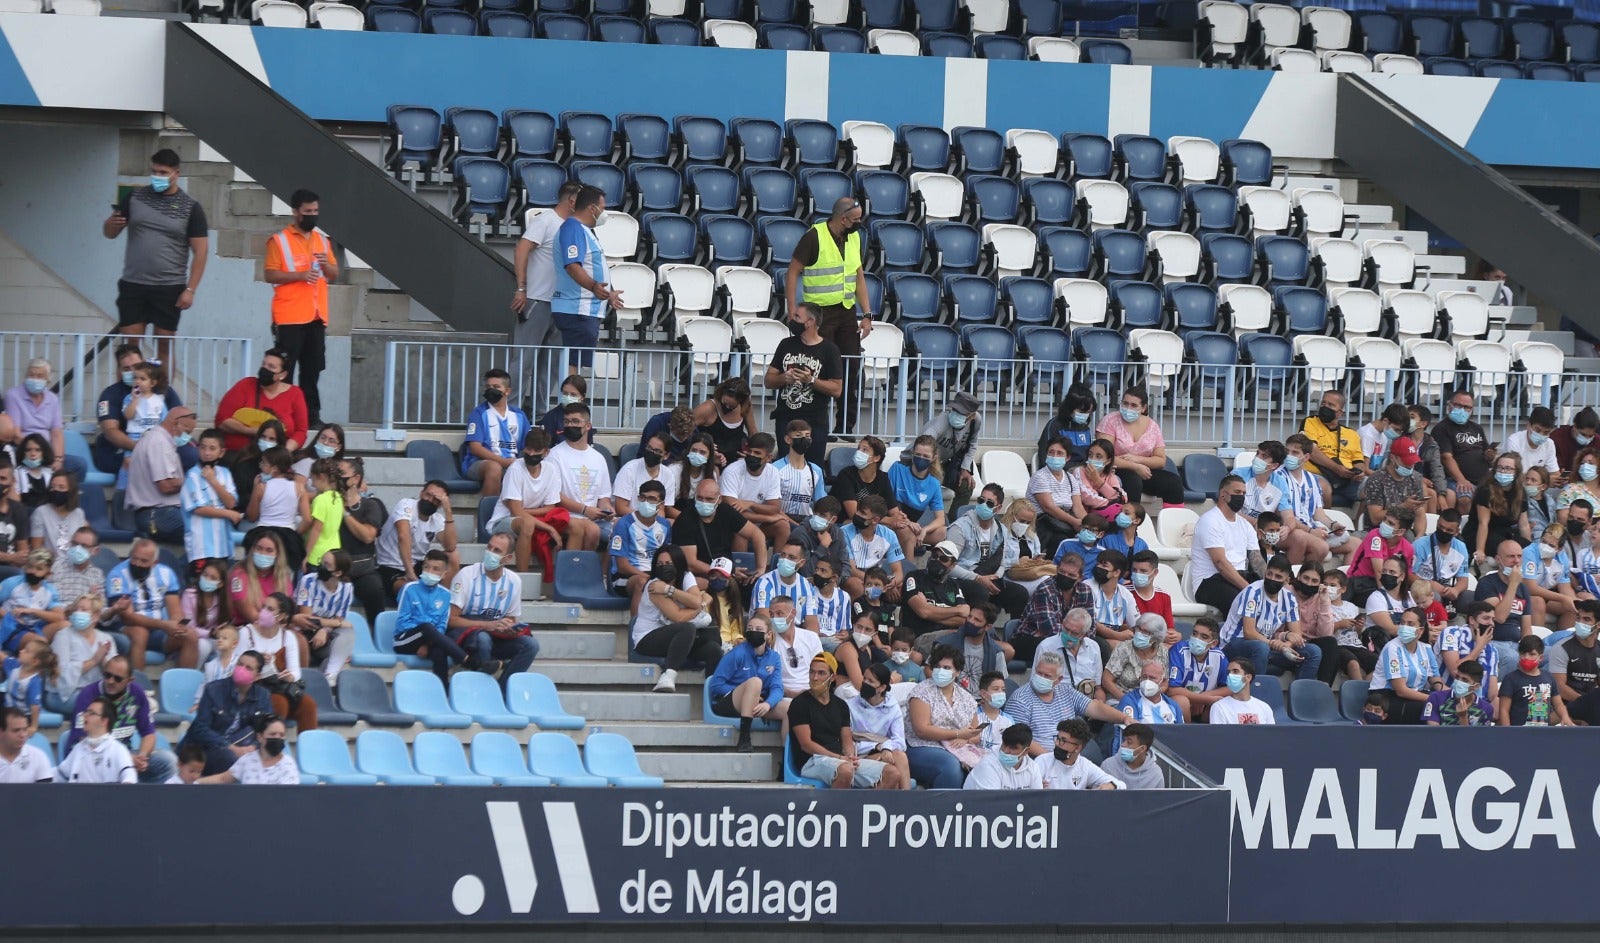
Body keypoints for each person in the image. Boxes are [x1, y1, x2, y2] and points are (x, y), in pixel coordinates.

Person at [102, 148, 208, 359]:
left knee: (164, 346)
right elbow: (110, 233)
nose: (157, 177)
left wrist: (190, 290)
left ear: (176, 173)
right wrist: (110, 224)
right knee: (129, 348)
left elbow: (201, 251)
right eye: (154, 172)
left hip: (169, 287)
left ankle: (163, 391)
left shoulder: (191, 208)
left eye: (163, 172)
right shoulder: (134, 197)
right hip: (134, 283)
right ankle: (128, 392)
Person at [786, 197, 873, 437]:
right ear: (842, 218)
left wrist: (866, 314)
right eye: (855, 219)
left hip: (846, 313)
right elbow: (793, 272)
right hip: (819, 314)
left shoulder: (854, 237)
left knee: (850, 368)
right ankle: (810, 426)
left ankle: (845, 427)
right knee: (815, 370)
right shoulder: (814, 236)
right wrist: (792, 308)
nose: (859, 223)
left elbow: (859, 276)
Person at [262, 189, 336, 424]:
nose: (313, 215)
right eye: (308, 212)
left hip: (316, 316)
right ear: (295, 212)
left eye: (315, 211)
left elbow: (334, 274)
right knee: (286, 371)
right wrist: (300, 274)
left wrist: (326, 266)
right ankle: (284, 416)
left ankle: (311, 416)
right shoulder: (280, 240)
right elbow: (270, 274)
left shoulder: (322, 240)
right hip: (290, 316)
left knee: (312, 370)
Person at [512, 181, 582, 405]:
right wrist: (522, 288)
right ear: (572, 202)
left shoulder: (575, 227)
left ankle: (539, 412)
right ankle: (511, 409)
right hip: (537, 300)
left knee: (550, 365)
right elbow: (522, 249)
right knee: (523, 360)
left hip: (562, 304)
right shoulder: (546, 220)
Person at [790, 652, 899, 790]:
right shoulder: (799, 703)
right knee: (845, 770)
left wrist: (850, 757)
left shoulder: (840, 705)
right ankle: (837, 810)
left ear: (832, 677)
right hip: (811, 760)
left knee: (891, 773)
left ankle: (862, 809)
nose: (815, 677)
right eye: (812, 672)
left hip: (839, 760)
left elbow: (847, 740)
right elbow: (806, 744)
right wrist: (839, 758)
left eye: (821, 673)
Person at [61, 654, 174, 783]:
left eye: (117, 678)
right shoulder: (88, 694)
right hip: (92, 754)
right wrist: (125, 758)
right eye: (107, 675)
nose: (110, 681)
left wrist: (141, 757)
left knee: (167, 761)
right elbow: (81, 736)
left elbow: (148, 733)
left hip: (127, 753)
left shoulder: (137, 694)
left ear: (130, 680)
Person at [448, 532, 540, 689]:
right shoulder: (466, 575)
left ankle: (501, 691)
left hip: (495, 637)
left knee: (531, 645)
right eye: (489, 547)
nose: (490, 552)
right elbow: (451, 620)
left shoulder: (514, 581)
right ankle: (482, 690)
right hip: (464, 637)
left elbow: (511, 618)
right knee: (483, 638)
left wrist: (509, 629)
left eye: (497, 550)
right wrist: (487, 625)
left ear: (508, 558)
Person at [91, 342, 190, 476]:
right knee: (111, 460)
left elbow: (180, 421)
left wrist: (162, 446)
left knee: (190, 455)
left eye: (136, 367)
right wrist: (139, 447)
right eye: (126, 369)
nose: (132, 373)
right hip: (125, 447)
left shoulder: (163, 390)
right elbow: (110, 431)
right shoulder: (110, 394)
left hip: (161, 444)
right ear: (119, 371)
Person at [1218, 552, 1320, 681]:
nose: (1272, 579)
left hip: (1265, 647)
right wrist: (1276, 644)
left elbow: (1297, 635)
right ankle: (1256, 693)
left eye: (1278, 576)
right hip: (1233, 644)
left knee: (1313, 652)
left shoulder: (1289, 599)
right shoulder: (1253, 592)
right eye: (1269, 574)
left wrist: (1286, 644)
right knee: (1261, 648)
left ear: (1287, 580)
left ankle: (1301, 696)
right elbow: (1249, 633)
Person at [631, 545, 719, 693]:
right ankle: (668, 676)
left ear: (678, 564)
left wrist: (669, 590)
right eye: (659, 564)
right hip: (648, 638)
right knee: (687, 628)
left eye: (668, 564)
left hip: (678, 638)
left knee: (714, 647)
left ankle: (713, 693)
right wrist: (702, 604)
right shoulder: (654, 586)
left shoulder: (686, 576)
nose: (664, 567)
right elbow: (678, 617)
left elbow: (695, 602)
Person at [765, 303, 843, 468]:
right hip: (786, 418)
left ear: (810, 321)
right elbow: (769, 380)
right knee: (785, 467)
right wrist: (783, 378)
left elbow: (837, 389)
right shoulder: (786, 344)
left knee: (813, 469)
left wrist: (811, 380)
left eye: (797, 317)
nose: (792, 320)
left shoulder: (830, 349)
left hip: (815, 421)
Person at [552, 185, 617, 377]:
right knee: (571, 364)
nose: (604, 213)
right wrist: (594, 287)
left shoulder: (584, 230)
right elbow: (572, 265)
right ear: (592, 208)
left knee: (575, 363)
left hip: (585, 309)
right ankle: (571, 405)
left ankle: (572, 403)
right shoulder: (573, 229)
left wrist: (608, 294)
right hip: (577, 309)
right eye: (602, 208)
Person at [1007, 650, 1126, 754]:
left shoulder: (1066, 691)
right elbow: (1021, 739)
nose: (1041, 678)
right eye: (1039, 673)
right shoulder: (1020, 699)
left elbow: (1095, 707)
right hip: (1040, 760)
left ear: (1058, 680)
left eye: (1047, 676)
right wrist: (1051, 759)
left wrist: (1124, 718)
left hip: (1070, 754)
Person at [395, 550, 488, 682]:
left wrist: (427, 644)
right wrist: (425, 635)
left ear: (444, 574)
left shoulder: (445, 595)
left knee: (439, 650)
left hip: (429, 640)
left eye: (435, 569)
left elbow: (442, 625)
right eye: (426, 567)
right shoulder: (409, 588)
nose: (429, 571)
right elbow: (402, 623)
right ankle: (467, 660)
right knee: (426, 627)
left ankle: (443, 693)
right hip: (404, 639)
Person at [106, 538, 196, 670]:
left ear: (155, 563)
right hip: (127, 628)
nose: (137, 564)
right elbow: (128, 617)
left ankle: (184, 685)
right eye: (134, 558)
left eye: (143, 561)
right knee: (140, 633)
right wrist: (163, 625)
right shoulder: (117, 576)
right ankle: (138, 686)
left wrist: (176, 626)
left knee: (190, 635)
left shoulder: (166, 573)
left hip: (157, 630)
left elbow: (175, 611)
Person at [181, 649, 274, 775]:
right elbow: (200, 728)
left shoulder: (262, 695)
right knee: (230, 758)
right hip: (204, 750)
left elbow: (267, 728)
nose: (242, 669)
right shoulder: (213, 689)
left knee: (266, 758)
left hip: (242, 748)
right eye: (239, 664)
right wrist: (231, 747)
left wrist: (253, 748)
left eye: (248, 668)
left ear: (257, 676)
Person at [485, 431, 565, 578]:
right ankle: (523, 578)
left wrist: (524, 511)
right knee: (527, 523)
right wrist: (549, 528)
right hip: (501, 522)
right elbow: (515, 512)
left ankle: (563, 579)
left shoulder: (551, 470)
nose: (531, 453)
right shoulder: (515, 468)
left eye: (536, 450)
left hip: (527, 519)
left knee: (576, 526)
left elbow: (550, 508)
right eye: (528, 448)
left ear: (546, 452)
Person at [236, 592, 317, 730]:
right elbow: (236, 665)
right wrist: (256, 659)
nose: (264, 612)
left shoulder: (288, 636)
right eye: (263, 607)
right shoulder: (247, 632)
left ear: (282, 616)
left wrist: (290, 676)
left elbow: (295, 671)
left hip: (279, 686)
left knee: (308, 704)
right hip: (254, 688)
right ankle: (272, 744)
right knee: (279, 702)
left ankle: (308, 747)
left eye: (270, 609)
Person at [705, 613, 786, 751]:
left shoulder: (774, 657)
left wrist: (768, 703)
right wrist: (746, 693)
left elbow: (777, 688)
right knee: (755, 682)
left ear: (768, 634)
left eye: (759, 630)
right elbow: (716, 685)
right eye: (750, 628)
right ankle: (744, 739)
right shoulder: (737, 653)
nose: (753, 632)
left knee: (790, 709)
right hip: (728, 702)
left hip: (758, 703)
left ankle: (785, 760)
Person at [904, 644, 981, 788]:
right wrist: (957, 734)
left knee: (986, 765)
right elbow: (922, 730)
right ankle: (942, 809)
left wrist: (966, 739)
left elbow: (976, 733)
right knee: (950, 767)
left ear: (957, 672)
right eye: (938, 667)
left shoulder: (966, 698)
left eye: (947, 668)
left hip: (958, 748)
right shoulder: (922, 692)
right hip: (920, 746)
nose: (941, 671)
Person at [946, 483, 1029, 616]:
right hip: (961, 580)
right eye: (981, 500)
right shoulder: (960, 527)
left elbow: (1002, 562)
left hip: (988, 578)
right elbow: (948, 566)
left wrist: (995, 577)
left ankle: (1015, 634)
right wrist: (978, 578)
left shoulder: (1000, 529)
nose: (983, 505)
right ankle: (978, 631)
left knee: (1020, 594)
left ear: (998, 508)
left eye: (990, 503)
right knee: (981, 593)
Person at [1098, 386, 1185, 507]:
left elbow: (1160, 460)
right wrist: (1134, 466)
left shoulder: (1152, 426)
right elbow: (1102, 456)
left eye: (1134, 405)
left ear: (1143, 408)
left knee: (1173, 482)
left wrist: (1137, 460)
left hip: (1144, 470)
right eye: (1125, 403)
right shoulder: (1110, 421)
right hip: (1116, 468)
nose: (1128, 408)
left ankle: (1173, 521)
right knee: (1133, 480)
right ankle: (1130, 521)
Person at [123, 405, 196, 545]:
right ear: (175, 424)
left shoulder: (160, 440)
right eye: (187, 431)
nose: (188, 437)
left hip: (161, 513)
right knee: (202, 530)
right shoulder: (159, 442)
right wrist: (192, 482)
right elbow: (166, 486)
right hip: (156, 515)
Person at [549, 402, 614, 554]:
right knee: (591, 531)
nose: (570, 425)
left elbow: (603, 497)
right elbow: (555, 496)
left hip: (594, 516)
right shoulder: (554, 455)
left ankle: (605, 576)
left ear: (588, 426)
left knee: (623, 530)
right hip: (565, 515)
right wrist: (585, 510)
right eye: (567, 422)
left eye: (576, 421)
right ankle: (574, 573)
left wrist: (606, 509)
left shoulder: (599, 458)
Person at [215, 349, 308, 455]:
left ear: (282, 375)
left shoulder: (295, 393)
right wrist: (250, 430)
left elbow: (301, 431)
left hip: (275, 458)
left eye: (271, 367)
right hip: (239, 455)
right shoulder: (246, 385)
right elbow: (221, 420)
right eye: (264, 364)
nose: (265, 369)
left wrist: (283, 452)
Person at [377, 480, 460, 596]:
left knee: (453, 556)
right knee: (410, 590)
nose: (430, 500)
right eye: (428, 495)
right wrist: (410, 573)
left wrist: (448, 511)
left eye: (436, 499)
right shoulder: (406, 504)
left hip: (419, 565)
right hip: (389, 565)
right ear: (421, 493)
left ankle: (439, 599)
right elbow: (403, 536)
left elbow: (450, 546)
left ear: (440, 503)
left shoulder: (437, 519)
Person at [1188, 475, 1256, 613]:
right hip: (1209, 582)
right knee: (1241, 602)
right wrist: (1249, 589)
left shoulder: (1245, 525)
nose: (1241, 497)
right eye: (1237, 492)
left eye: (1244, 493)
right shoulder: (1210, 520)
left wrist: (1271, 584)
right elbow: (1220, 563)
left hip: (1239, 576)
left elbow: (1256, 559)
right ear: (1223, 494)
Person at [460, 368, 530, 499]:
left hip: (512, 463)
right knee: (494, 467)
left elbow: (528, 444)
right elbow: (475, 448)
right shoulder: (478, 413)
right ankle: (489, 516)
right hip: (479, 464)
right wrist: (504, 462)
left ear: (508, 391)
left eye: (496, 386)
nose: (491, 389)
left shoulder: (519, 415)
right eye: (488, 386)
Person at [179, 429, 243, 570]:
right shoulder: (192, 475)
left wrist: (213, 481)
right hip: (201, 547)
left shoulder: (225, 473)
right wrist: (228, 514)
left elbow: (231, 503)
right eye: (203, 448)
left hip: (224, 545)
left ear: (221, 452)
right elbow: (199, 509)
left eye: (212, 448)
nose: (207, 453)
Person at [1369, 604, 1442, 724]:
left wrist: (1451, 696)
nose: (1404, 627)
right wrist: (1435, 699)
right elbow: (1401, 690)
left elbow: (1437, 683)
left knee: (1449, 707)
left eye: (1410, 624)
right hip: (1386, 698)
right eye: (1402, 623)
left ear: (1421, 630)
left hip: (1413, 696)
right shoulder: (1392, 648)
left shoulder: (1426, 649)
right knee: (1429, 708)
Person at [718, 432, 791, 551]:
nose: (752, 455)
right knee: (742, 529)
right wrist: (767, 518)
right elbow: (732, 514)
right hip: (731, 525)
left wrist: (750, 504)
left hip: (756, 523)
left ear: (768, 458)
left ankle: (777, 566)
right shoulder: (732, 471)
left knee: (783, 526)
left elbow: (774, 508)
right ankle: (741, 568)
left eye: (757, 453)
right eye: (750, 451)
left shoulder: (773, 472)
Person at [293, 550, 355, 682]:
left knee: (346, 634)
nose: (320, 567)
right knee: (343, 629)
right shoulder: (308, 581)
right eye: (321, 562)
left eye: (326, 565)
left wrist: (324, 630)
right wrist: (336, 624)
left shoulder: (347, 588)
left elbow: (340, 619)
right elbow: (306, 618)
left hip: (323, 636)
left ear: (338, 573)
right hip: (301, 633)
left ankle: (328, 678)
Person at [609, 480, 671, 613]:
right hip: (625, 578)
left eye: (652, 499)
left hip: (655, 574)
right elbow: (622, 566)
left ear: (661, 505)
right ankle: (636, 630)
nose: (646, 502)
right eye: (643, 497)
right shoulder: (624, 524)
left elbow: (666, 556)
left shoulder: (665, 525)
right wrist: (651, 578)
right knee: (643, 582)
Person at [847, 663, 911, 789]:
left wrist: (886, 747)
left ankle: (906, 800)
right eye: (864, 678)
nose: (865, 683)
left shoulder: (892, 707)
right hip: (857, 755)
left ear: (881, 688)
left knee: (899, 756)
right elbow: (848, 744)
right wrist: (878, 746)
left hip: (884, 753)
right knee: (894, 767)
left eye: (870, 681)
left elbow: (900, 741)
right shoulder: (849, 705)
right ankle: (906, 803)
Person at [48, 594, 116, 712]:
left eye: (83, 610)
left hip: (96, 693)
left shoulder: (106, 638)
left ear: (96, 616)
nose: (77, 613)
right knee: (102, 706)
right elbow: (58, 677)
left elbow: (115, 676)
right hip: (64, 695)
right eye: (76, 609)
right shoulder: (63, 636)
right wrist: (94, 660)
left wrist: (103, 659)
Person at [1474, 539, 1533, 675]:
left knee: (1548, 654)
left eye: (1519, 556)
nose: (1516, 561)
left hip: (1516, 644)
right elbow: (1499, 617)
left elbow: (1527, 628)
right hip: (1492, 641)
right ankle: (1501, 694)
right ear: (1498, 560)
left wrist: (1529, 650)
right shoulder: (1486, 584)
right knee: (1512, 658)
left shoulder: (1523, 589)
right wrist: (1513, 584)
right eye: (1511, 556)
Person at [1300, 389, 1367, 508]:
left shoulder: (1352, 434)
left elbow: (1358, 462)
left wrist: (1357, 473)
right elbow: (1312, 451)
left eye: (1331, 405)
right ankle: (1327, 525)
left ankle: (1362, 524)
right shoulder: (1310, 422)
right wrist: (1337, 469)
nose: (1325, 407)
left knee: (1374, 486)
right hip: (1318, 474)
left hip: (1347, 480)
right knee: (1324, 488)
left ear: (1339, 413)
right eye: (1323, 403)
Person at [920, 391, 982, 511]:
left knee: (966, 485)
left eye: (961, 413)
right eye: (955, 410)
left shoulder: (976, 421)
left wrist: (965, 468)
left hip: (945, 463)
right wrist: (933, 469)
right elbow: (924, 443)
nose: (956, 414)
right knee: (931, 485)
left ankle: (955, 522)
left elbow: (973, 443)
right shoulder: (942, 420)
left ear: (971, 416)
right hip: (922, 462)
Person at [1435, 389, 1494, 514]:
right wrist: (1461, 479)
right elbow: (1446, 457)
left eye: (1467, 407)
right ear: (1450, 405)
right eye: (1458, 405)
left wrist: (1490, 455)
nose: (1462, 410)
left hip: (1482, 480)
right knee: (1465, 498)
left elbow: (1486, 451)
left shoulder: (1477, 428)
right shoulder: (1442, 428)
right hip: (1456, 479)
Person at [54, 696, 136, 784]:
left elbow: (129, 778)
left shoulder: (118, 749)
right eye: (86, 712)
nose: (85, 715)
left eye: (91, 713)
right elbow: (59, 775)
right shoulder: (78, 748)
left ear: (104, 721)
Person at [199, 714, 299, 785]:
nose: (277, 738)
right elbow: (222, 779)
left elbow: (287, 797)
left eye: (281, 735)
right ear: (260, 737)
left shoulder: (288, 764)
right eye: (272, 734)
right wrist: (194, 782)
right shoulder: (247, 760)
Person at [898, 541, 969, 641]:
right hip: (919, 638)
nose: (937, 560)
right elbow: (923, 611)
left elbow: (963, 619)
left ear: (952, 565)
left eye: (943, 559)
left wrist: (931, 613)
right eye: (934, 556)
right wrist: (957, 610)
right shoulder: (914, 577)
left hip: (946, 638)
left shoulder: (953, 585)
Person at [1466, 454, 1527, 566]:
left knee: (1529, 551)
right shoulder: (1485, 491)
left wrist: (1528, 545)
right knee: (1509, 552)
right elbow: (1483, 523)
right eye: (1499, 467)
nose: (1503, 471)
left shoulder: (1520, 492)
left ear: (1516, 472)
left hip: (1505, 533)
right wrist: (1480, 550)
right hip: (1482, 534)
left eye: (1508, 468)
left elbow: (1524, 525)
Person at [1499, 635, 1572, 726]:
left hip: (1543, 734)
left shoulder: (1549, 677)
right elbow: (1503, 710)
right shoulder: (1510, 679)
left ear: (1540, 658)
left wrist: (1565, 717)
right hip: (1518, 733)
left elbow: (1558, 704)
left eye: (1532, 654)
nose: (1526, 657)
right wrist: (1508, 733)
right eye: (1523, 653)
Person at [1167, 617, 1229, 720]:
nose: (1197, 639)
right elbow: (1172, 690)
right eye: (1194, 634)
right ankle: (1186, 734)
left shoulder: (1219, 656)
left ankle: (1209, 734)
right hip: (1181, 700)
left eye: (1204, 637)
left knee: (1220, 702)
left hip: (1204, 704)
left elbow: (1229, 688)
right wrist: (1202, 699)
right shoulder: (1178, 650)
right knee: (1182, 701)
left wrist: (1204, 698)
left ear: (1213, 643)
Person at [1358, 435, 1426, 529]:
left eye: (1412, 461)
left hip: (1404, 531)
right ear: (1393, 457)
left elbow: (1420, 515)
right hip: (1377, 531)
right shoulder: (1376, 480)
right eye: (1406, 462)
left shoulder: (1416, 478)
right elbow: (1375, 518)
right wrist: (1403, 506)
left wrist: (1419, 540)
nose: (1410, 465)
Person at [1028, 439, 1081, 557]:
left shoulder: (1071, 479)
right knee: (1062, 541)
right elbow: (1048, 507)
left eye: (1059, 453)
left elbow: (1078, 507)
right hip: (1045, 524)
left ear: (1067, 458)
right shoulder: (1040, 477)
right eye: (1051, 452)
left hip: (1064, 523)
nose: (1054, 456)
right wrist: (1075, 522)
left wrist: (1087, 524)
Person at [613, 431, 681, 521]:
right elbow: (620, 508)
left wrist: (656, 523)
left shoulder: (668, 475)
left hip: (653, 521)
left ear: (666, 455)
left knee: (673, 524)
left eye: (657, 451)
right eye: (649, 448)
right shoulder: (629, 469)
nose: (651, 452)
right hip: (629, 519)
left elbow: (661, 509)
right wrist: (645, 520)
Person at [1412, 509, 1470, 615]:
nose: (1443, 531)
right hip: (1422, 590)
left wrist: (1456, 590)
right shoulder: (1420, 545)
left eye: (1449, 530)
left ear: (1457, 532)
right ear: (1437, 523)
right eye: (1441, 527)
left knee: (1469, 598)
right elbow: (1410, 576)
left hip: (1447, 590)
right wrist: (1429, 585)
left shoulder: (1461, 548)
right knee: (1435, 596)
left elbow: (1464, 581)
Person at [2, 548, 60, 654]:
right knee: (40, 644)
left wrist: (32, 611)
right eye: (30, 567)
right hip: (10, 627)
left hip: (34, 627)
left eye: (39, 569)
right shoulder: (12, 583)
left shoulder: (50, 591)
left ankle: (61, 664)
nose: (33, 571)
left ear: (48, 574)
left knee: (65, 625)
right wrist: (9, 616)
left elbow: (59, 616)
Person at [830, 435, 898, 523]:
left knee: (903, 528)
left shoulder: (882, 478)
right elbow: (855, 515)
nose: (859, 452)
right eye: (859, 448)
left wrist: (901, 520)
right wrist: (889, 520)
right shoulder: (846, 475)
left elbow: (894, 512)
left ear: (876, 458)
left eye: (864, 450)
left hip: (873, 522)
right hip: (846, 522)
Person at [1552, 600, 1600, 724]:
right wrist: (1587, 703)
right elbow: (1559, 687)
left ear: (1598, 625)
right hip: (1565, 707)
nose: (1580, 623)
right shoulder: (1562, 648)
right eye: (1578, 618)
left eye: (1586, 619)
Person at [1040, 718, 1121, 790]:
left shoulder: (1085, 766)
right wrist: (1036, 788)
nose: (1057, 743)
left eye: (1063, 741)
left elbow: (1121, 785)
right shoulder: (1043, 761)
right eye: (1057, 738)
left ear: (1077, 748)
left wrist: (1111, 785)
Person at [773, 421, 828, 525]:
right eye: (798, 435)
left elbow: (821, 502)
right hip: (781, 520)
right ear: (788, 439)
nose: (804, 439)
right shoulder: (775, 468)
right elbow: (771, 504)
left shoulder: (816, 470)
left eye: (807, 436)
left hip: (806, 521)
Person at [963, 723, 1043, 790]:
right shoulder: (988, 765)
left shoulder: (1033, 768)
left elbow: (1036, 801)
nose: (1006, 751)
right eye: (1004, 745)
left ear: (1026, 751)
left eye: (1013, 748)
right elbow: (991, 804)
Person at [696, 378, 756, 468]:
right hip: (711, 461)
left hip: (736, 460)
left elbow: (753, 433)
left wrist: (752, 453)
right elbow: (686, 430)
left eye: (731, 406)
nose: (727, 407)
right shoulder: (707, 408)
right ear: (721, 393)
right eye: (724, 403)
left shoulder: (745, 407)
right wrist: (704, 443)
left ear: (740, 402)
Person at [1037, 382, 1098, 466]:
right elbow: (1046, 458)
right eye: (1081, 412)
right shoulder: (1054, 426)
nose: (1086, 416)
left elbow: (1087, 458)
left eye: (1088, 413)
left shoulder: (1085, 428)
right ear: (1070, 408)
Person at [1422, 659, 1495, 726]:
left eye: (1465, 680)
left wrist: (1463, 719)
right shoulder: (1436, 698)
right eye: (1457, 677)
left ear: (1476, 686)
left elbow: (1479, 739)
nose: (1458, 682)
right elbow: (1433, 733)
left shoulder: (1486, 708)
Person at [793, 495, 849, 582]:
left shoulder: (838, 534)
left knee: (855, 584)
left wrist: (835, 582)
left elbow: (845, 566)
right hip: (807, 582)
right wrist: (822, 547)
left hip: (831, 581)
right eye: (815, 513)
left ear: (833, 519)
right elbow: (805, 572)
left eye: (822, 515)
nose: (817, 517)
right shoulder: (800, 533)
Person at [1208, 659, 1275, 725]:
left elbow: (1271, 735)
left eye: (1235, 671)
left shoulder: (1264, 707)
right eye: (1228, 672)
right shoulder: (1219, 707)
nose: (1230, 675)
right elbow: (1219, 735)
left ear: (1248, 677)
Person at [1100, 722, 1164, 789]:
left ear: (1142, 748)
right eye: (1124, 740)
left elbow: (1159, 798)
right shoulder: (1108, 765)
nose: (1123, 745)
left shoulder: (1155, 773)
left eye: (1129, 742)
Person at [0, 707, 53, 783]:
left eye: (25, 729)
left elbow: (46, 792)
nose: (22, 735)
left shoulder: (39, 756)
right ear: (1, 732)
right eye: (16, 730)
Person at [1553, 407, 1599, 473]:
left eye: (1591, 436)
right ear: (1574, 426)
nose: (1587, 438)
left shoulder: (1597, 441)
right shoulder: (1557, 437)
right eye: (1583, 434)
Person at [1559, 448, 1600, 522]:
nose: (1585, 466)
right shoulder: (1570, 490)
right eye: (1582, 463)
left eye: (1590, 463)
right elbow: (1563, 518)